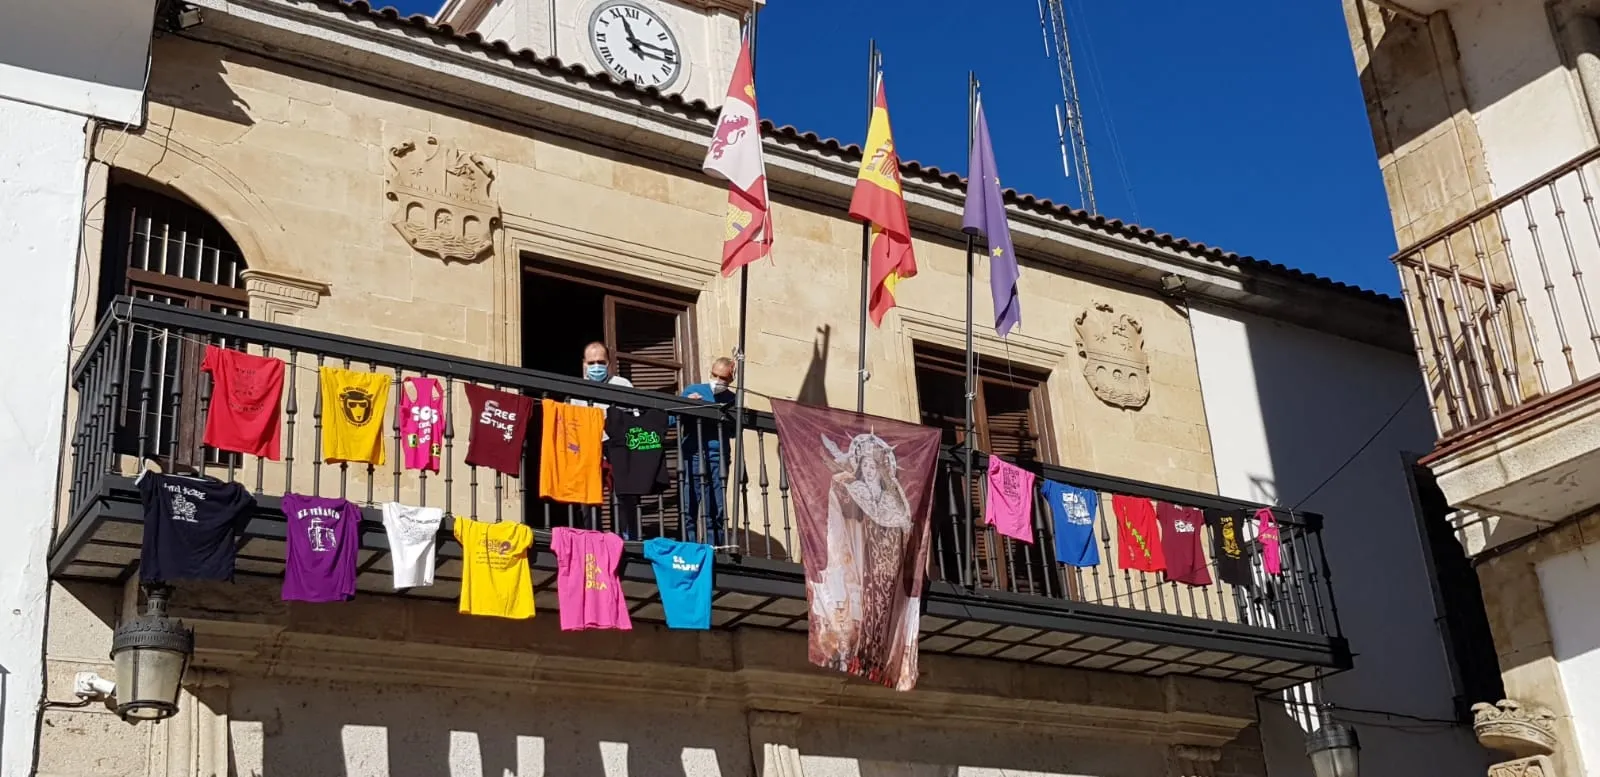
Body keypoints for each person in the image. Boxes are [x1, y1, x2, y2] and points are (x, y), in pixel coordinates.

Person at [679, 357, 736, 545]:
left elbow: (735, 432)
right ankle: (690, 547)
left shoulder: (732, 398)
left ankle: (714, 548)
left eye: (723, 378)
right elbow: (672, 420)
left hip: (718, 457)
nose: (718, 381)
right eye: (715, 375)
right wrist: (687, 404)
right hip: (693, 455)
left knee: (716, 508)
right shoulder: (693, 390)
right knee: (690, 506)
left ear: (731, 379)